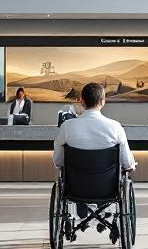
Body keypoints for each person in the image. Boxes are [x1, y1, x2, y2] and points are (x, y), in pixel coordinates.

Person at [53, 82, 136, 220]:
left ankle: (82, 210)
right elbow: (127, 162)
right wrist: (131, 165)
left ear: (82, 101)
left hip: (75, 188)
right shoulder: (115, 127)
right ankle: (102, 211)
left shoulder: (67, 127)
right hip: (108, 188)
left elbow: (58, 161)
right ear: (103, 101)